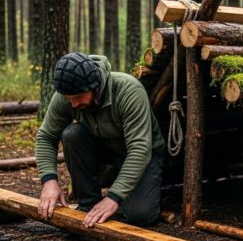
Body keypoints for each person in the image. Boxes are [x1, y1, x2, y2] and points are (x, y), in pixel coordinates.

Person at [35, 52, 165, 228]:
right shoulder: (67, 94)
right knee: (72, 135)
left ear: (95, 87)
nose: (73, 104)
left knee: (140, 215)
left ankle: (120, 196)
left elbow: (140, 149)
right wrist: (49, 180)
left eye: (78, 98)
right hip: (105, 146)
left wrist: (113, 197)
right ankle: (88, 203)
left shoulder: (128, 91)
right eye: (68, 99)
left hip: (141, 153)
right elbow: (46, 137)